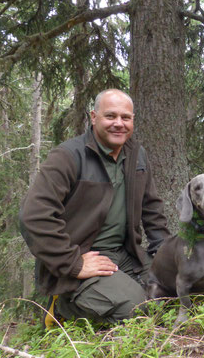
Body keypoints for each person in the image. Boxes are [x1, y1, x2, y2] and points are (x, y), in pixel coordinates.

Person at [20, 89, 171, 325]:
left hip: (126, 254)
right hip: (83, 256)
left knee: (170, 295)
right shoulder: (69, 156)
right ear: (93, 117)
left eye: (126, 117)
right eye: (110, 116)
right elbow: (34, 216)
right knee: (139, 310)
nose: (119, 124)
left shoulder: (136, 155)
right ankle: (63, 306)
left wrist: (164, 253)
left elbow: (152, 208)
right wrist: (73, 263)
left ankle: (117, 291)